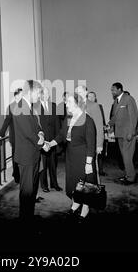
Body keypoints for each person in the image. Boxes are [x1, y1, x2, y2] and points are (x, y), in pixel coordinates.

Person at [47, 93, 96, 222]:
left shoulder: (88, 120)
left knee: (85, 184)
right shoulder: (69, 118)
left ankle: (85, 208)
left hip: (83, 155)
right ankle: (76, 203)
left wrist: (89, 163)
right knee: (73, 182)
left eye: (68, 102)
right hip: (71, 155)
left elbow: (91, 144)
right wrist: (50, 143)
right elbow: (61, 135)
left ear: (77, 103)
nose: (66, 104)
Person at [13, 80, 46, 222]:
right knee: (26, 192)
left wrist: (41, 134)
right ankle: (25, 220)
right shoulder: (20, 107)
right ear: (31, 92)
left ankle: (29, 216)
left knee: (32, 190)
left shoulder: (29, 107)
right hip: (26, 157)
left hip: (33, 155)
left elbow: (37, 127)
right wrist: (42, 143)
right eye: (38, 93)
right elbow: (28, 133)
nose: (39, 96)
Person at [107, 82, 138, 185]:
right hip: (119, 133)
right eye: (111, 90)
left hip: (127, 133)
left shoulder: (129, 99)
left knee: (127, 156)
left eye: (113, 89)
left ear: (120, 89)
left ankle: (131, 178)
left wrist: (131, 132)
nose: (112, 91)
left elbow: (134, 117)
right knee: (124, 156)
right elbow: (115, 117)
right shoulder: (116, 101)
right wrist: (109, 125)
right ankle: (128, 174)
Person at [0, 88, 22, 183]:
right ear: (16, 96)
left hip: (24, 138)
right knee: (16, 158)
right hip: (15, 138)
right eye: (21, 94)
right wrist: (0, 135)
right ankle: (17, 177)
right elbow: (6, 122)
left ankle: (20, 174)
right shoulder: (11, 107)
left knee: (22, 158)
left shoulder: (26, 106)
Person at [38, 87, 62, 192]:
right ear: (41, 94)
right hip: (42, 140)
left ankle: (54, 184)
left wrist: (57, 139)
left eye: (48, 93)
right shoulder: (36, 107)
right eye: (45, 93)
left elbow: (57, 123)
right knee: (43, 164)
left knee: (53, 164)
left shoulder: (53, 105)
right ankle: (44, 185)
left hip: (52, 140)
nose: (47, 95)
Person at [75, 86, 104, 167]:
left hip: (90, 142)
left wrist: (99, 145)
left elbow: (99, 126)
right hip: (78, 143)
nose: (78, 95)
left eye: (80, 92)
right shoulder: (75, 106)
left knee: (91, 167)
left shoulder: (94, 105)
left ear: (85, 93)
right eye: (76, 93)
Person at [87, 91, 107, 175]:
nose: (91, 98)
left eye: (93, 97)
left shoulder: (98, 106)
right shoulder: (83, 106)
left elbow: (101, 121)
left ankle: (100, 170)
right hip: (88, 135)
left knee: (98, 156)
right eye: (89, 97)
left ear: (95, 98)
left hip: (97, 134)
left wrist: (103, 133)